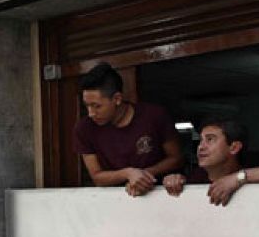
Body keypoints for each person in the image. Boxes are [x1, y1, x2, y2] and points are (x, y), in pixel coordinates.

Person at [73, 62, 182, 197]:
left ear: (117, 99)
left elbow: (176, 158)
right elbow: (97, 177)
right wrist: (128, 173)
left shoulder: (154, 116)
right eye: (87, 106)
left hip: (159, 197)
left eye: (96, 106)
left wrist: (143, 175)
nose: (91, 113)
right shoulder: (84, 128)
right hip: (114, 201)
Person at [162, 118, 259, 206]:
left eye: (210, 139)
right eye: (201, 140)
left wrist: (239, 178)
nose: (201, 147)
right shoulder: (195, 178)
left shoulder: (252, 172)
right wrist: (174, 181)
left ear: (234, 147)